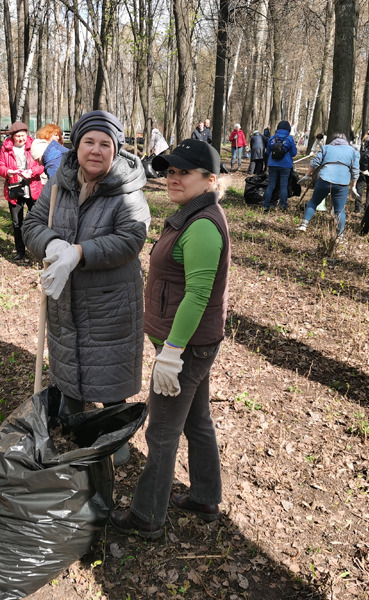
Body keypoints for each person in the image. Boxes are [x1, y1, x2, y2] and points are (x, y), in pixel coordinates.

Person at [108, 139, 230, 538]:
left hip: (187, 346)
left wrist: (173, 351)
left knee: (161, 431)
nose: (173, 178)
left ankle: (146, 516)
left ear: (210, 180)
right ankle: (205, 496)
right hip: (191, 343)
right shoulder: (191, 215)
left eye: (184, 172)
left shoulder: (202, 226)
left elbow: (197, 295)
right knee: (196, 420)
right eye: (171, 171)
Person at [22, 110, 151, 466]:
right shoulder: (59, 182)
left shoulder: (128, 189)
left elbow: (131, 239)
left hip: (110, 300)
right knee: (68, 357)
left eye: (105, 144)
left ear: (115, 150)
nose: (96, 150)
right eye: (89, 142)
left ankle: (113, 435)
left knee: (109, 366)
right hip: (65, 297)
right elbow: (33, 223)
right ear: (76, 146)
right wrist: (52, 244)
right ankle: (74, 423)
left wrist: (79, 252)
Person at [296, 133, 359, 239]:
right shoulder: (353, 151)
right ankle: (340, 236)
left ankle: (304, 224)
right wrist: (353, 186)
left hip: (324, 179)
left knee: (314, 201)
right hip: (342, 182)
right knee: (340, 210)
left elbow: (314, 163)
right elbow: (355, 171)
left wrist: (307, 175)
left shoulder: (326, 148)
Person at [0, 121, 44, 261]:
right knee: (17, 223)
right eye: (18, 136)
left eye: (23, 135)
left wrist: (32, 172)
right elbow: (0, 166)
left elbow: (41, 165)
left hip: (32, 187)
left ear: (26, 134)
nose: (21, 139)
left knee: (38, 220)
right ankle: (20, 251)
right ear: (12, 136)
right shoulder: (6, 147)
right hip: (14, 188)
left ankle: (39, 249)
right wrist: (8, 172)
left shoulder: (34, 145)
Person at [263, 120, 298, 211]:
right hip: (286, 165)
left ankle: (266, 205)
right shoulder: (289, 139)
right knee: (283, 185)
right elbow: (294, 153)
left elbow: (268, 152)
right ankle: (283, 205)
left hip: (272, 164)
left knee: (271, 185)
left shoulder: (272, 138)